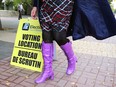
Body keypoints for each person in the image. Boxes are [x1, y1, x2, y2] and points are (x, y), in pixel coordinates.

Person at [31, 0, 77, 83]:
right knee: (46, 36)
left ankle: (72, 59)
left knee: (59, 36)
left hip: (63, 3)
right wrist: (35, 5)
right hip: (46, 4)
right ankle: (48, 71)